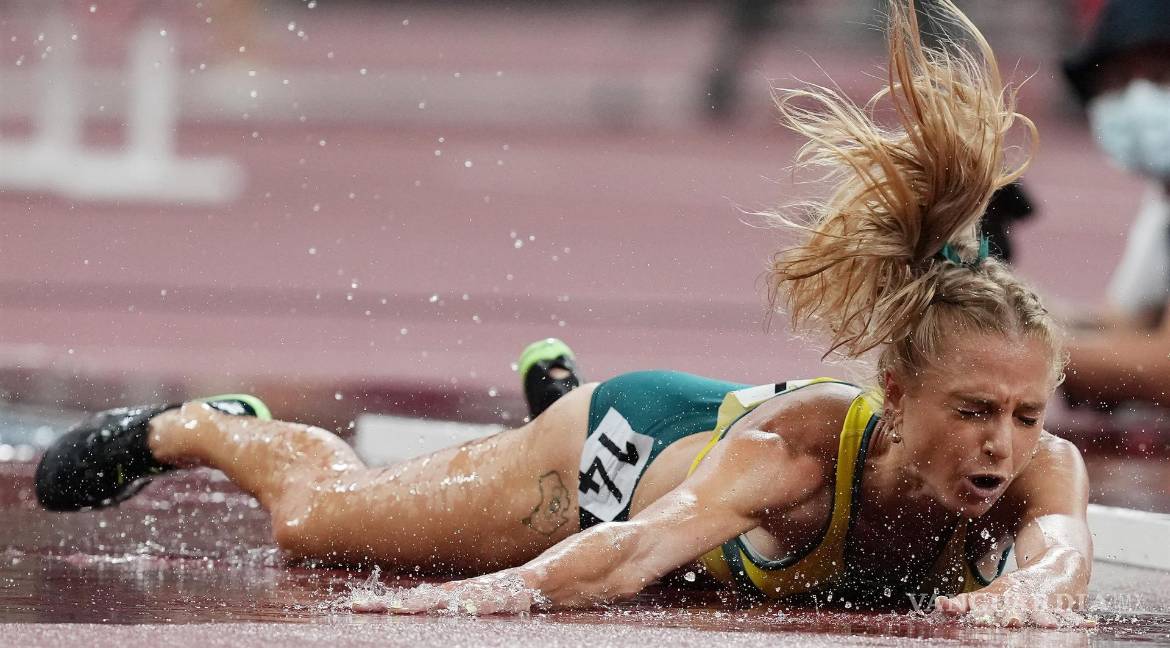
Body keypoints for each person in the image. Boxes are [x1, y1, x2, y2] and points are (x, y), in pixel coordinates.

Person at [35, 1, 1093, 627]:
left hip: (690, 453)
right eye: (974, 411)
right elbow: (632, 555)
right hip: (621, 455)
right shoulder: (800, 458)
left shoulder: (1037, 467)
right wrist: (462, 601)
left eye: (1025, 414)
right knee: (319, 527)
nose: (1003, 444)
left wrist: (1027, 601)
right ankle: (207, 425)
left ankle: (548, 386)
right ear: (896, 393)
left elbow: (1061, 561)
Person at [1060, 0, 1170, 407]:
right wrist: (999, 304)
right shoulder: (1163, 204)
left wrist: (1019, 351)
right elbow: (1126, 326)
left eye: (1162, 76)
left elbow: (1162, 370)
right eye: (1118, 82)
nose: (1139, 101)